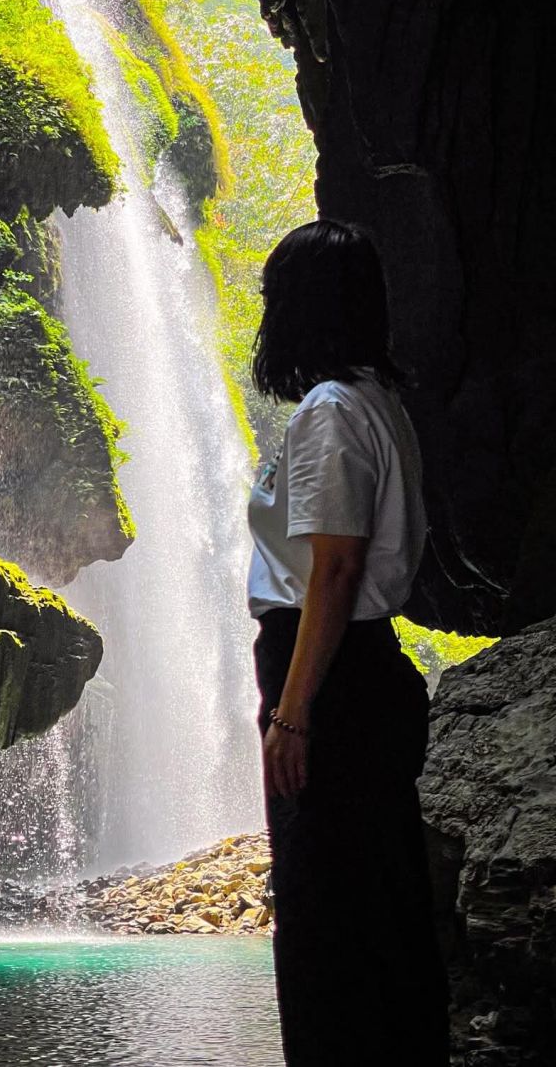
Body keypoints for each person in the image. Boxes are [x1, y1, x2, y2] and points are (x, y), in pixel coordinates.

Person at [246, 219, 450, 1067]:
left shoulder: (330, 412)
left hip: (332, 677)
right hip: (366, 672)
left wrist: (293, 714)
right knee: (381, 907)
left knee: (327, 913)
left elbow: (333, 570)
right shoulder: (378, 401)